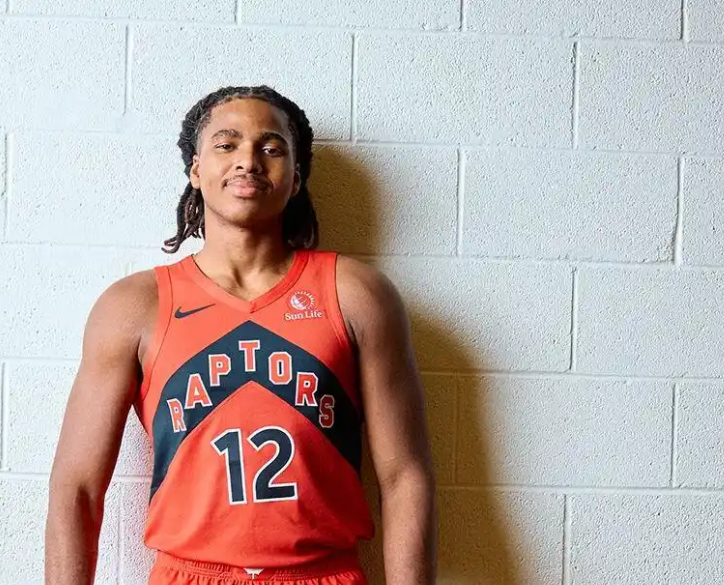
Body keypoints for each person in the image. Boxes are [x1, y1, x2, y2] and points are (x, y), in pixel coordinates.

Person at [45, 85, 436, 585]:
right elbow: (76, 487)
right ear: (195, 168)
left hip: (321, 574)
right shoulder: (135, 305)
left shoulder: (357, 294)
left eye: (271, 147)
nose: (248, 161)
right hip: (188, 575)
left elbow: (404, 477)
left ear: (297, 176)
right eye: (226, 144)